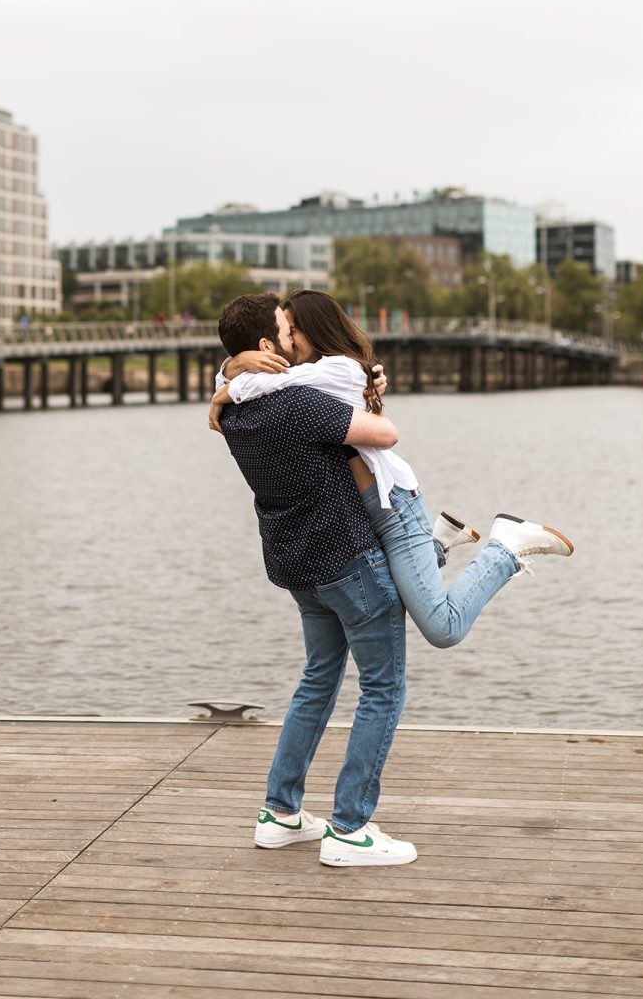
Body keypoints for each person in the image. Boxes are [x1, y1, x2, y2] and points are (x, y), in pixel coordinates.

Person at [211, 289, 574, 651]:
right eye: (283, 331)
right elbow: (271, 383)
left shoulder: (335, 370)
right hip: (363, 510)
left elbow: (278, 388)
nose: (287, 339)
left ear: (316, 329)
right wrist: (236, 369)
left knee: (442, 627)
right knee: (398, 593)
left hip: (394, 507)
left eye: (293, 330)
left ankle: (505, 547)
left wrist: (230, 382)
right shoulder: (309, 374)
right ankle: (440, 542)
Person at [214, 292, 418, 867]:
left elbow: (232, 384)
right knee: (382, 688)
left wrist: (230, 372)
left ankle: (280, 814)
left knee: (317, 682)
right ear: (265, 348)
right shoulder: (300, 401)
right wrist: (368, 393)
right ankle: (350, 829)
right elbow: (384, 436)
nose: (295, 339)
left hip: (298, 565)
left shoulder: (232, 409)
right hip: (350, 560)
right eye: (286, 331)